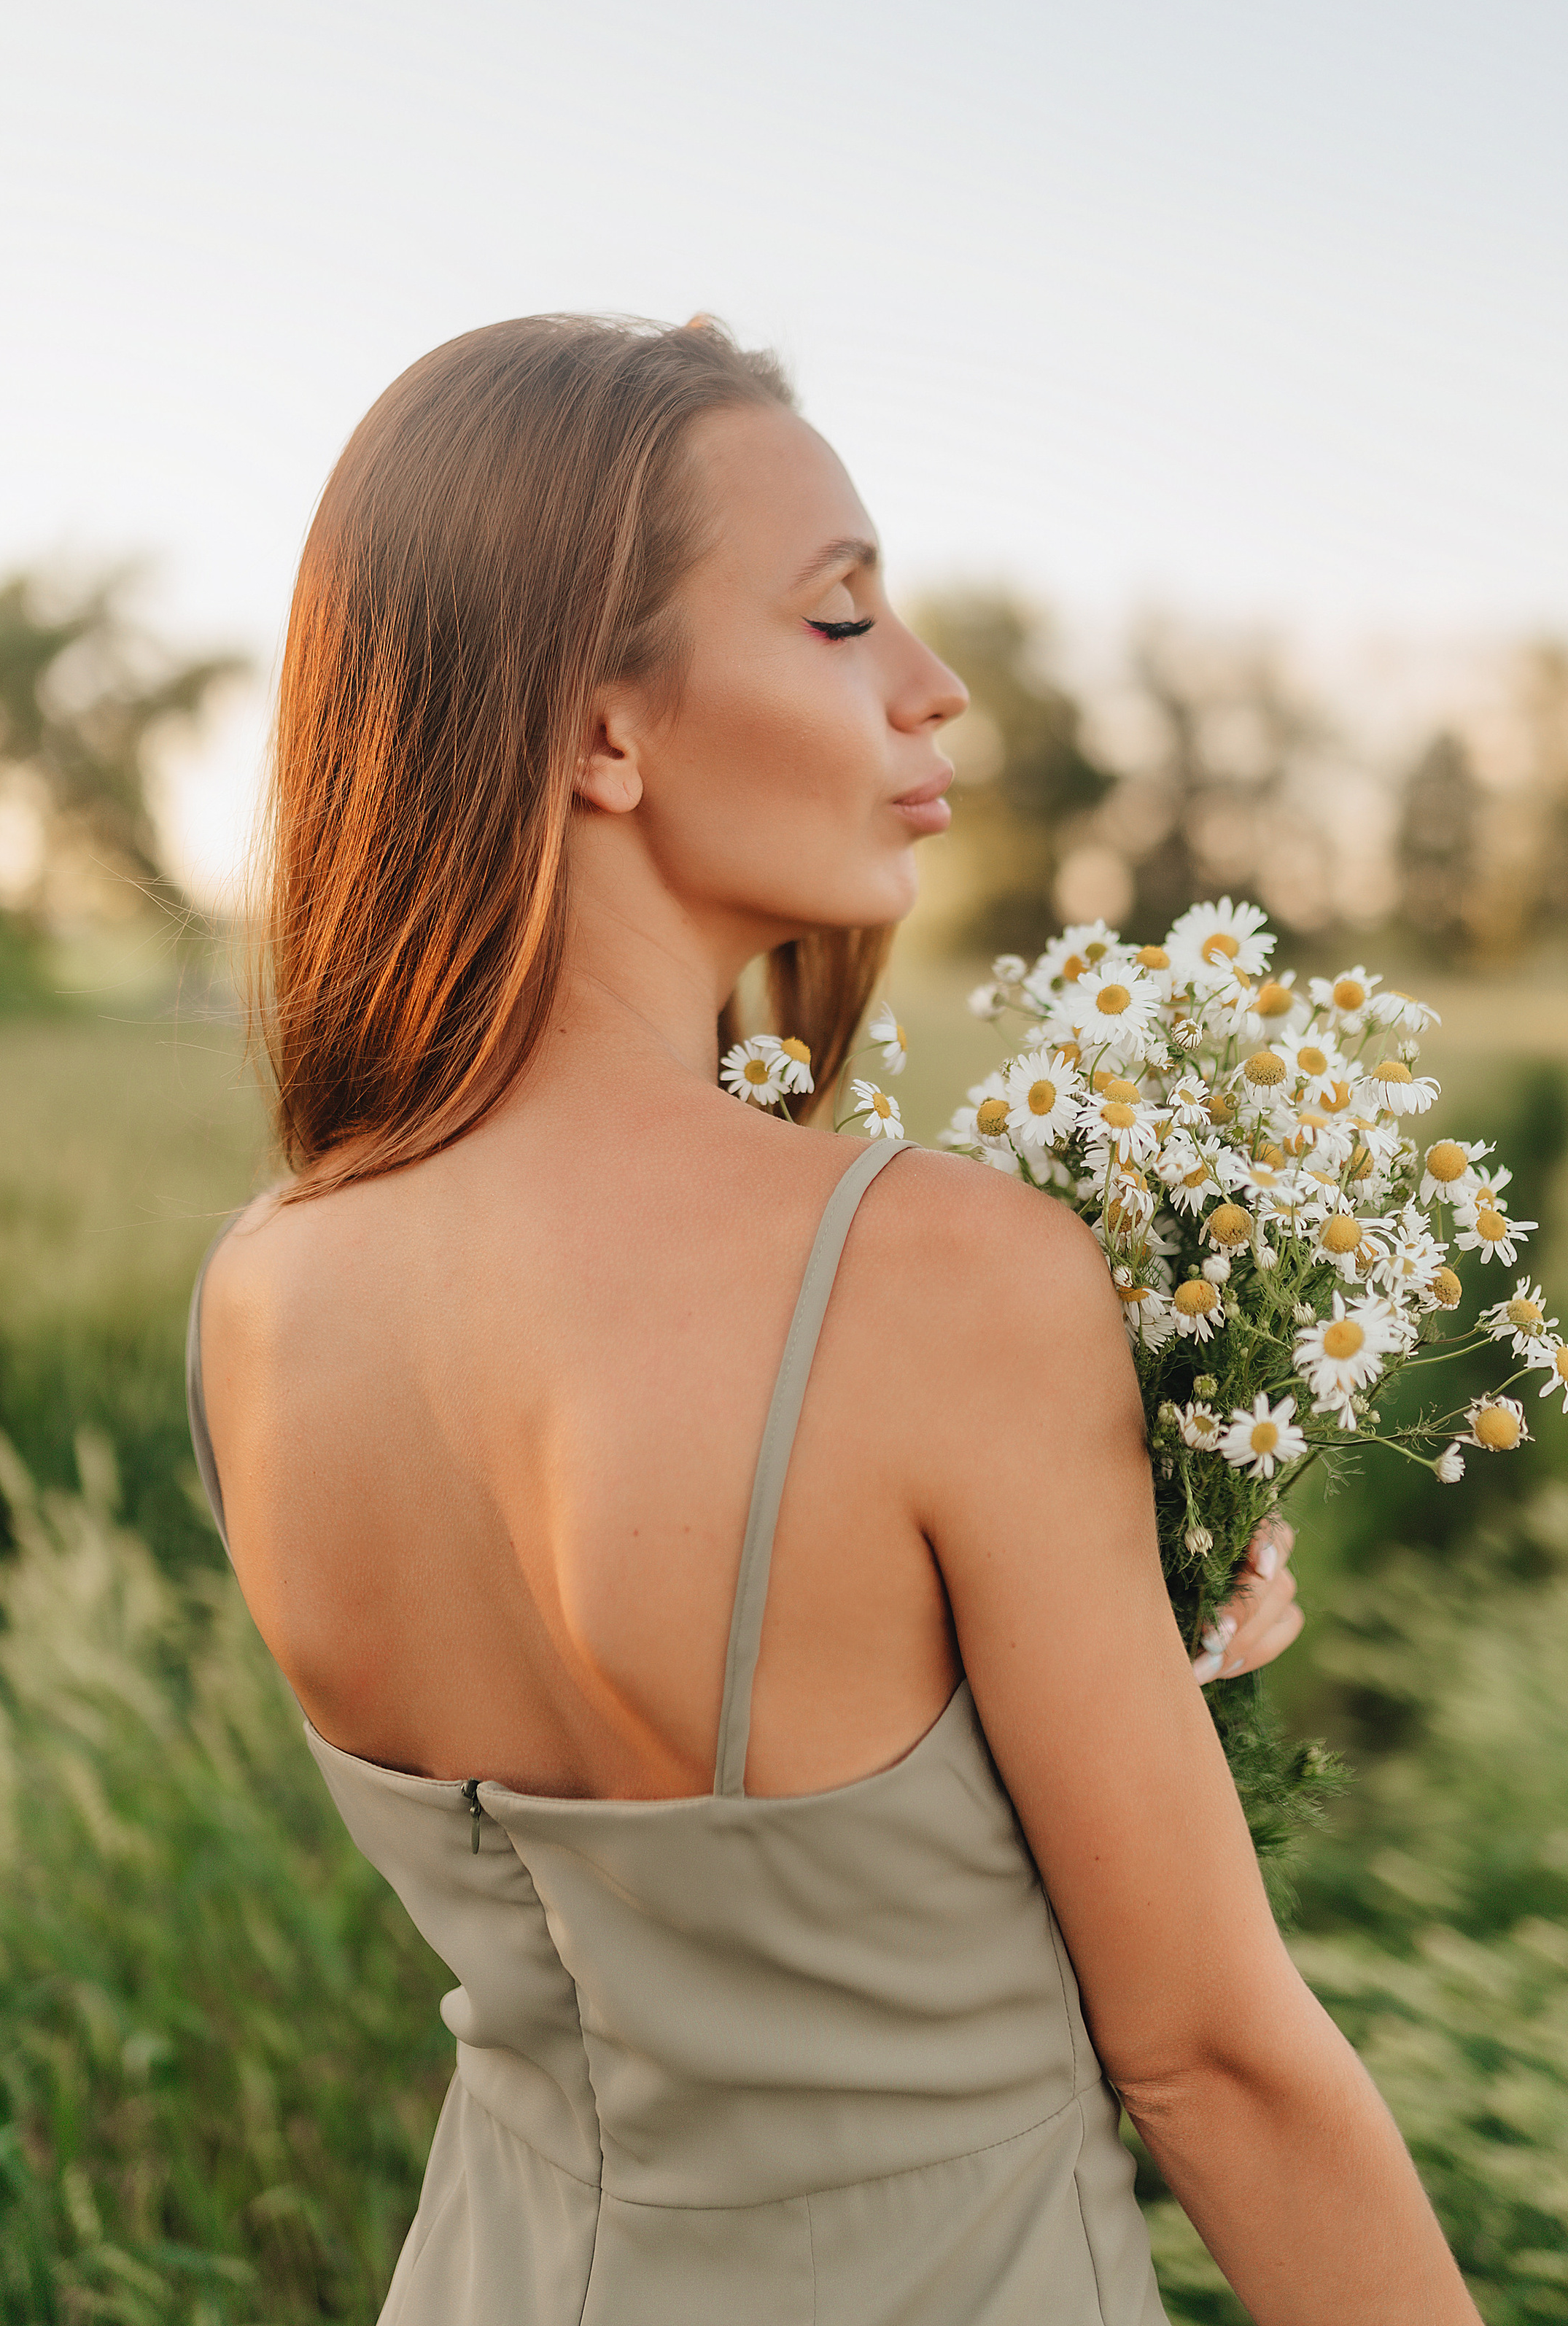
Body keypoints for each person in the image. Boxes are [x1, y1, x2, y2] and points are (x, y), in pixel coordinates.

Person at [188, 314, 1479, 2325]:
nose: (934, 686)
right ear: (598, 730)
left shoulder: (260, 1293)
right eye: (840, 615)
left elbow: (712, 1909)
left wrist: (1130, 1659)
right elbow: (1213, 2064)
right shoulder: (934, 1279)